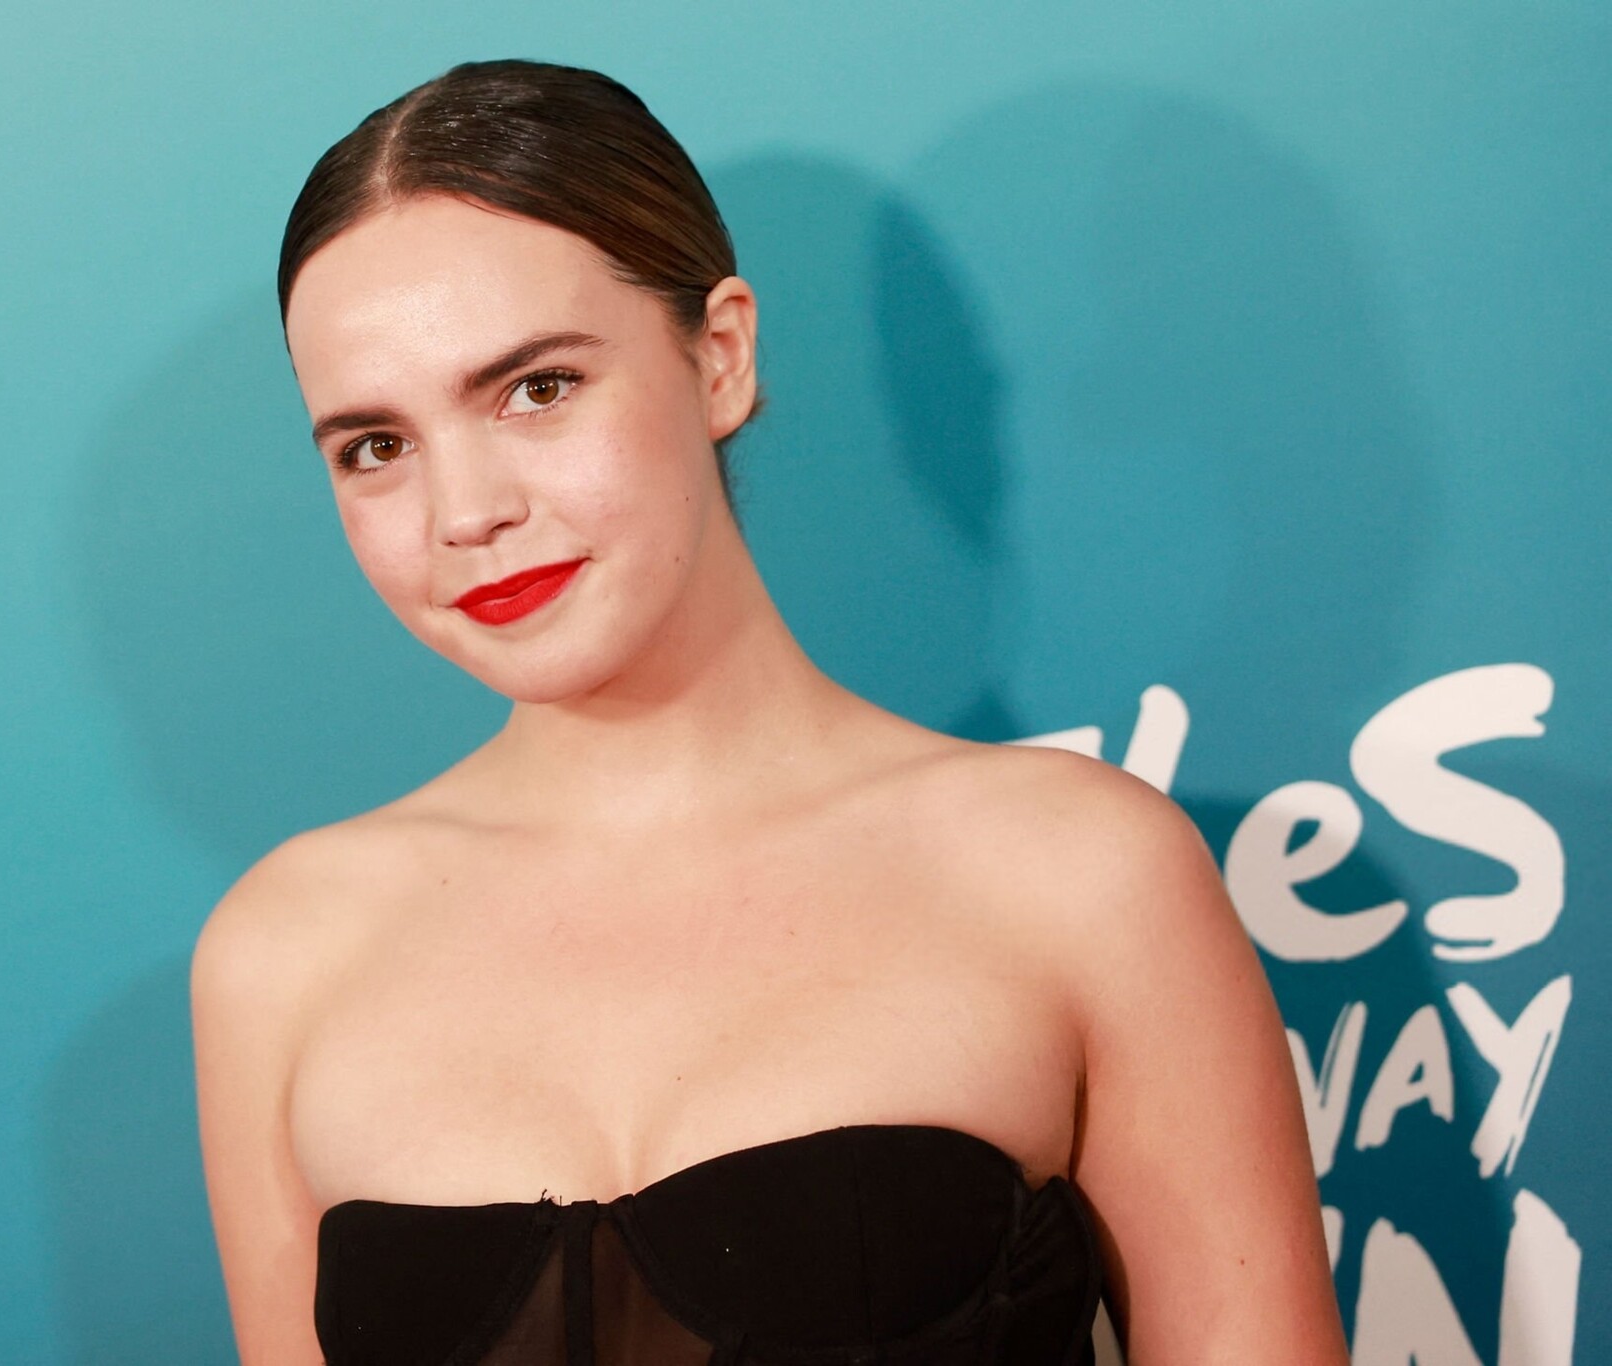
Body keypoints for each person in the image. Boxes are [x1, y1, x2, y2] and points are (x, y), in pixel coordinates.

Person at [192, 57, 1347, 1366]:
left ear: (721, 357)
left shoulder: (1079, 874)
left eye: (537, 387)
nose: (465, 513)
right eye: (376, 447)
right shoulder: (285, 953)